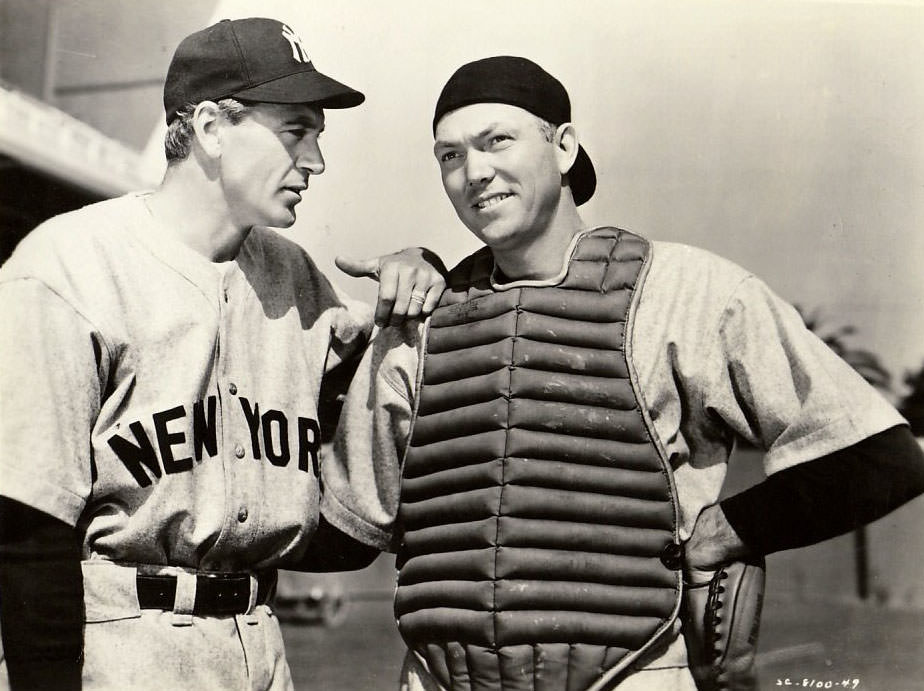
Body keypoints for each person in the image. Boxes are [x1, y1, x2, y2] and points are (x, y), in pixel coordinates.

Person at [320, 56, 924, 691]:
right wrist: (329, 375)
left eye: (498, 140)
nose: (474, 171)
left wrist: (726, 532)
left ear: (563, 146)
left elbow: (884, 459)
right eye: (449, 155)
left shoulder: (686, 291)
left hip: (633, 670)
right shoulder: (421, 320)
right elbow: (348, 533)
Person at [0, 17, 446, 691]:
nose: (317, 162)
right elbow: (28, 532)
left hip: (259, 644)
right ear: (209, 127)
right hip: (121, 646)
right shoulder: (67, 266)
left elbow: (378, 404)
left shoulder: (295, 278)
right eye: (297, 130)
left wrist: (422, 268)